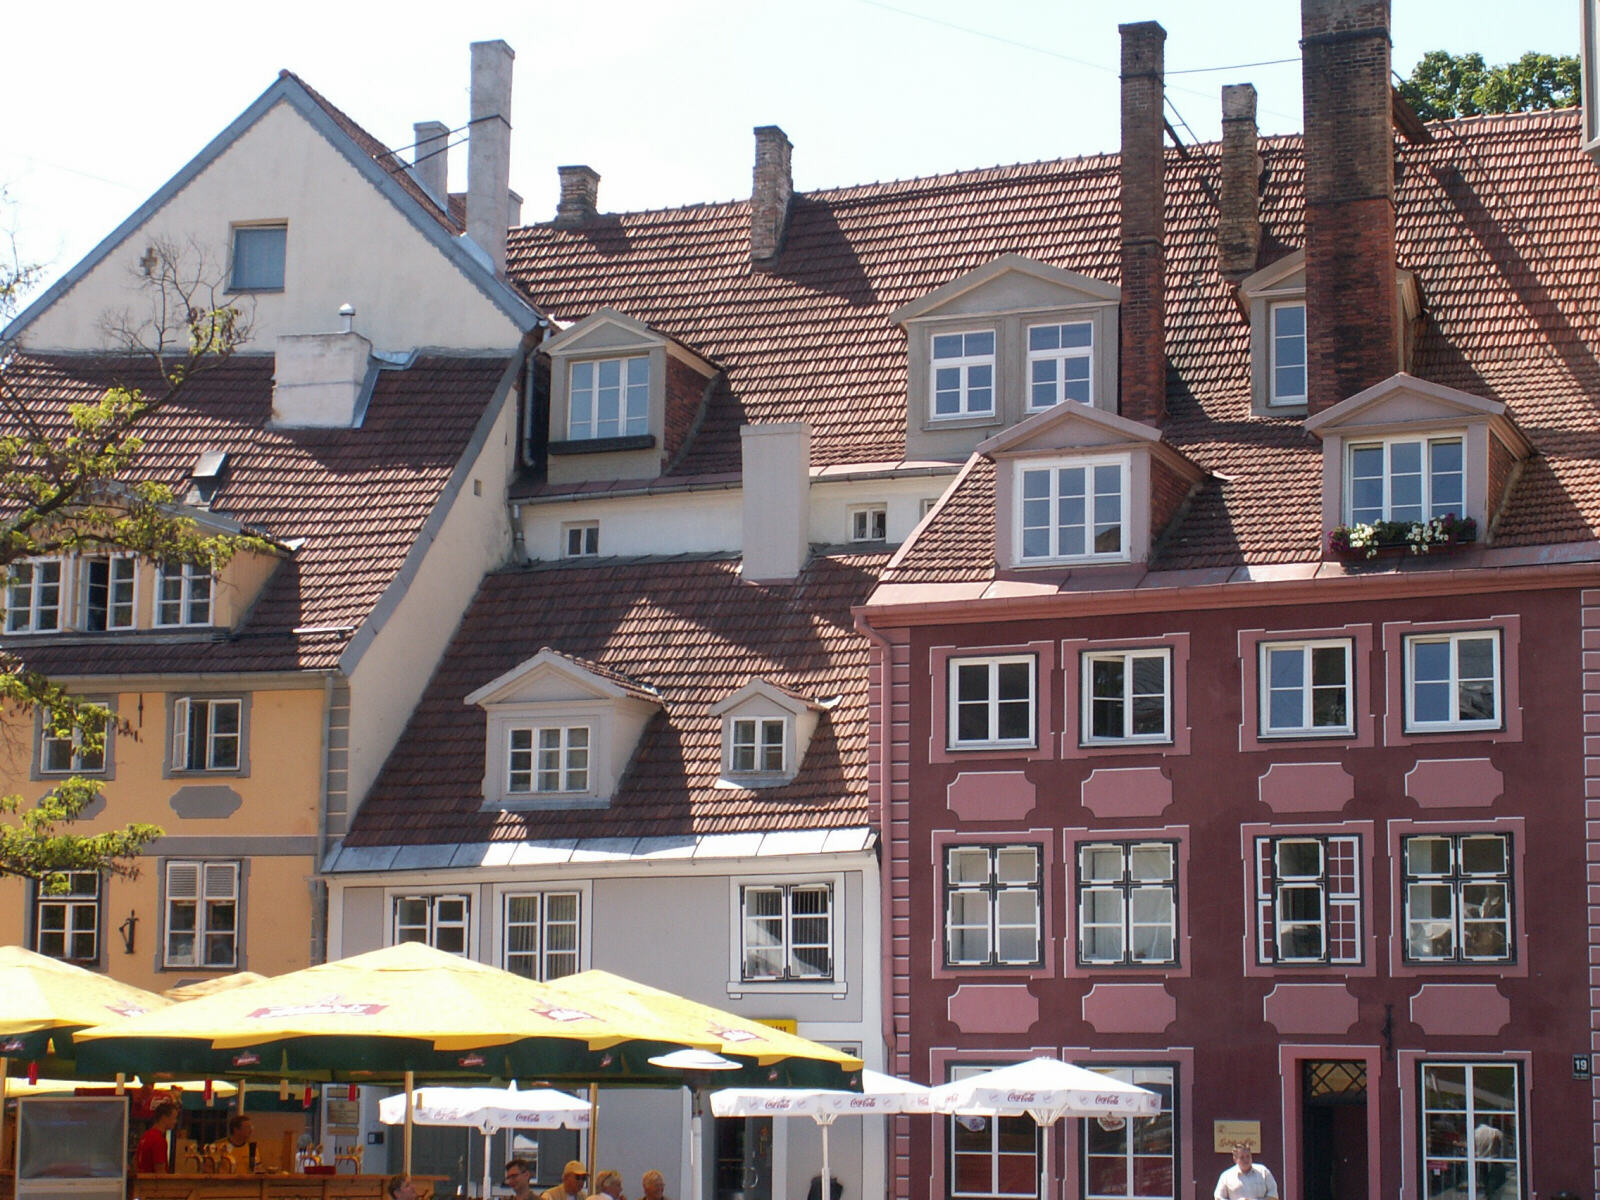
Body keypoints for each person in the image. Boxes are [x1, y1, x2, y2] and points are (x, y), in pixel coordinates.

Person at [134, 1100, 179, 1175]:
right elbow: (160, 1171)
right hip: (153, 1185)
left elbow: (135, 1161)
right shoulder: (159, 1140)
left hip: (142, 1182)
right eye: (174, 1118)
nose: (175, 1121)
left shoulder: (146, 1135)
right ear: (164, 1117)